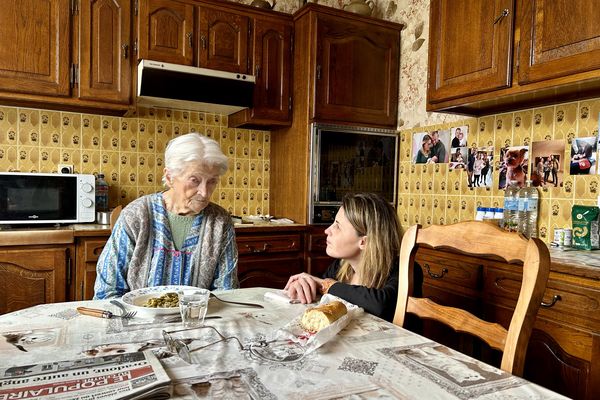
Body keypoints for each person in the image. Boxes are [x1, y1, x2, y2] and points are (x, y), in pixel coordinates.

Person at [94, 133, 239, 299]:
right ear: (170, 177)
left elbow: (226, 292)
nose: (205, 193)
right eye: (194, 180)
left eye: (212, 181)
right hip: (137, 320)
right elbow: (107, 291)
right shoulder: (136, 215)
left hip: (200, 320)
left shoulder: (220, 222)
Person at [283, 192, 417, 322]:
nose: (327, 230)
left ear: (364, 241)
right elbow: (322, 292)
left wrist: (325, 284)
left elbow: (380, 304)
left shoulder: (405, 270)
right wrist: (305, 285)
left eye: (338, 226)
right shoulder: (341, 266)